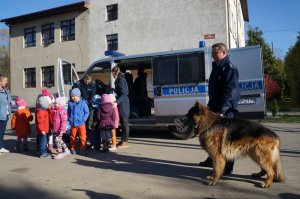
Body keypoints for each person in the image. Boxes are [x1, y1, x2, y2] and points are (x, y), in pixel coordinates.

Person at [198, 43, 240, 175]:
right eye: (212, 53)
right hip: (215, 107)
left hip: (225, 109)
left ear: (224, 52)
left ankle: (228, 167)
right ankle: (212, 159)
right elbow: (214, 90)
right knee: (212, 136)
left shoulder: (229, 68)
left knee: (226, 139)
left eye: (215, 53)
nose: (213, 55)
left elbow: (229, 91)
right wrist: (210, 107)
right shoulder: (217, 67)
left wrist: (222, 111)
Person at [111, 65, 130, 148]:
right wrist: (113, 89)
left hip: (123, 104)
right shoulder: (119, 79)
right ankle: (123, 140)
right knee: (122, 123)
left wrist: (117, 102)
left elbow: (124, 93)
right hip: (122, 103)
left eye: (113, 74)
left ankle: (125, 141)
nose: (113, 76)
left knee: (125, 123)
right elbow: (121, 91)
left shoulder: (121, 79)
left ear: (116, 72)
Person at [68, 88, 90, 155]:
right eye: (72, 96)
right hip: (73, 123)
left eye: (75, 96)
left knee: (82, 136)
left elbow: (87, 112)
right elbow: (68, 111)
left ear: (79, 96)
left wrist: (84, 119)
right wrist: (69, 118)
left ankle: (82, 148)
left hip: (81, 123)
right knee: (72, 137)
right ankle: (72, 148)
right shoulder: (70, 103)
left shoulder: (83, 103)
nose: (73, 98)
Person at [0, 74, 11, 154]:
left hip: (6, 114)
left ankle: (1, 147)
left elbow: (8, 102)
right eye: (5, 81)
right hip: (1, 114)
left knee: (2, 132)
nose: (6, 82)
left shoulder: (6, 91)